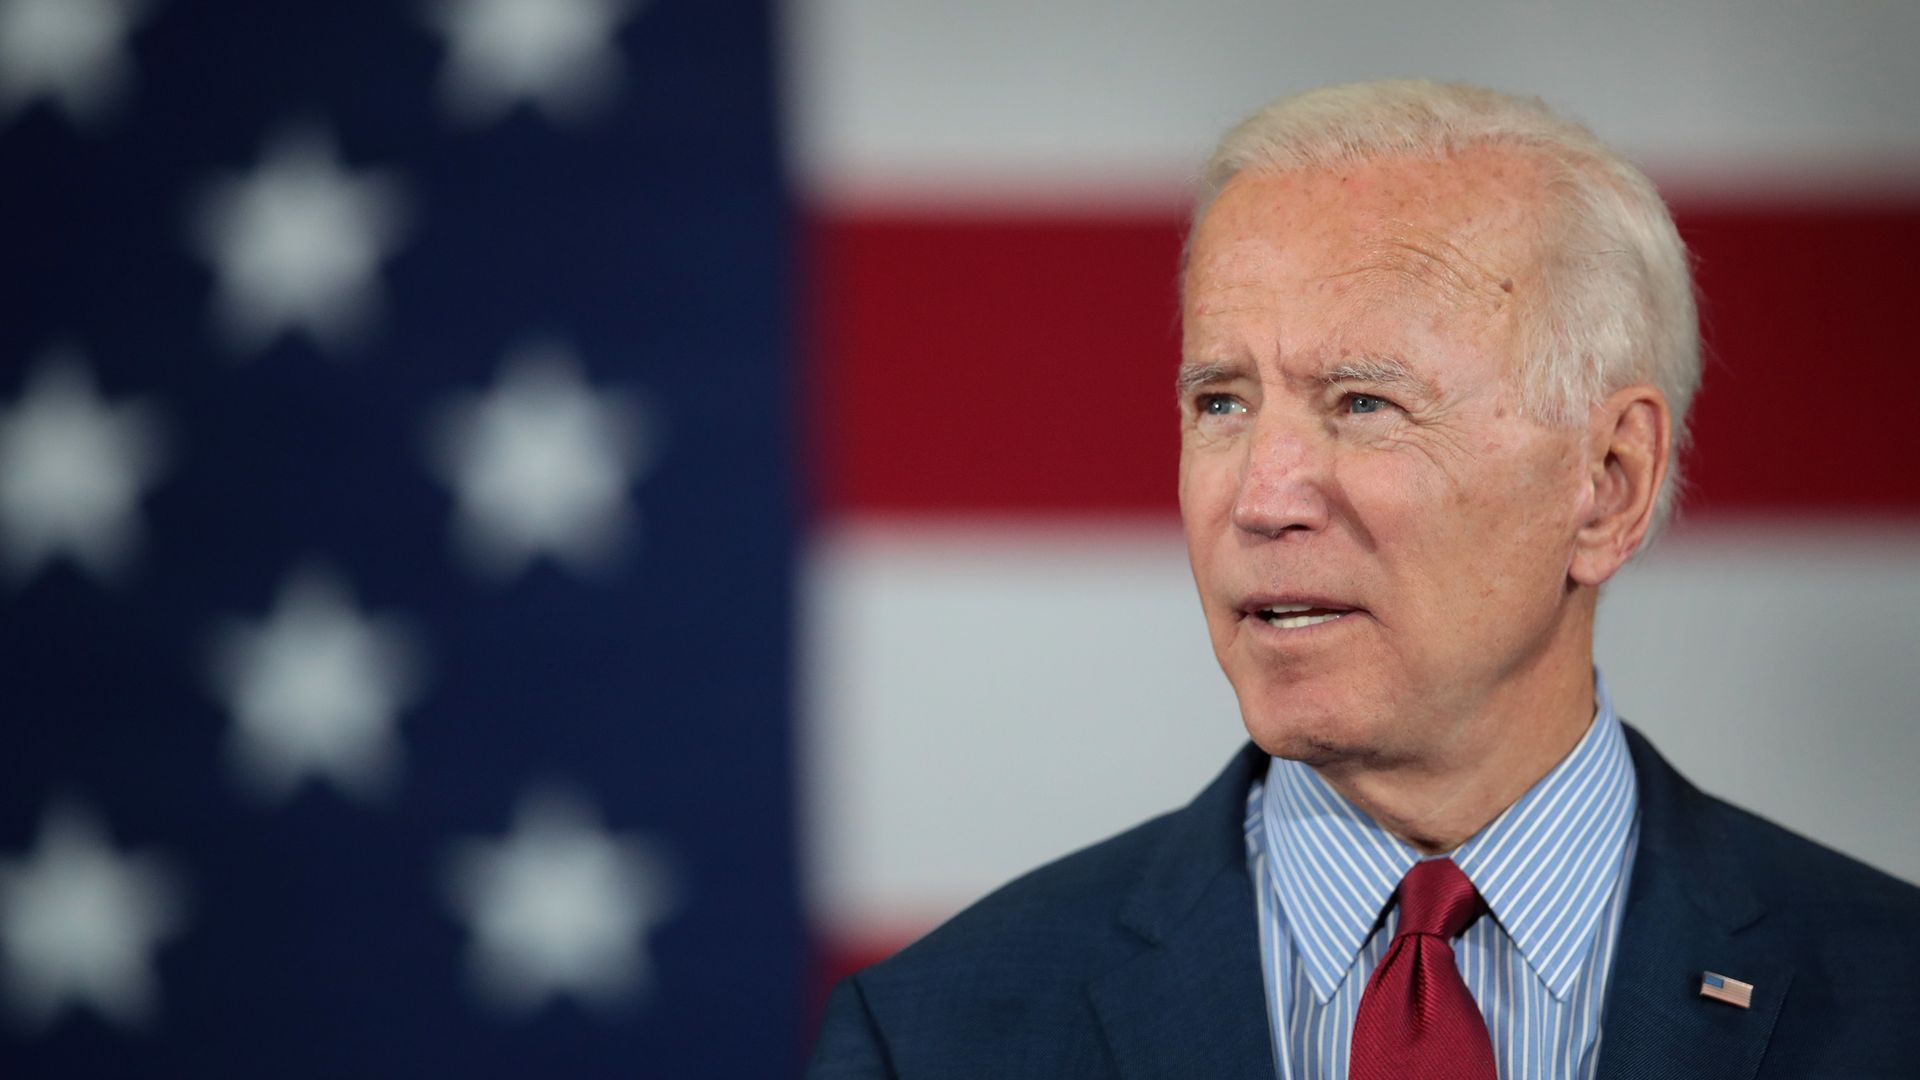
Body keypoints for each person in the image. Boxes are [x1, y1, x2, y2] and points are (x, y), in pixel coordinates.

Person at [806, 80, 1920, 1079]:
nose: (1262, 495)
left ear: (1608, 484)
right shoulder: (936, 1040)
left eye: (1362, 404)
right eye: (1222, 403)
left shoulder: (1891, 1004)